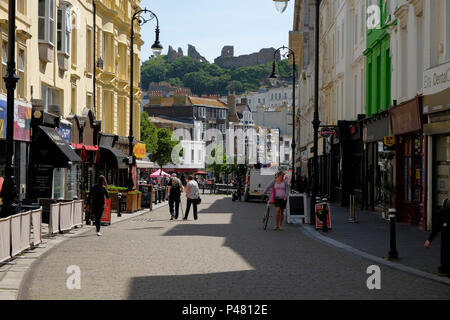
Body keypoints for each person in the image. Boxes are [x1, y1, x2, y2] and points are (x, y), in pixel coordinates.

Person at [425, 198, 449, 276]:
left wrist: (429, 240)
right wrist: (429, 240)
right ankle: (444, 267)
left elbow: (437, 226)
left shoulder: (445, 203)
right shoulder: (446, 203)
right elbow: (437, 226)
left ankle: (444, 267)